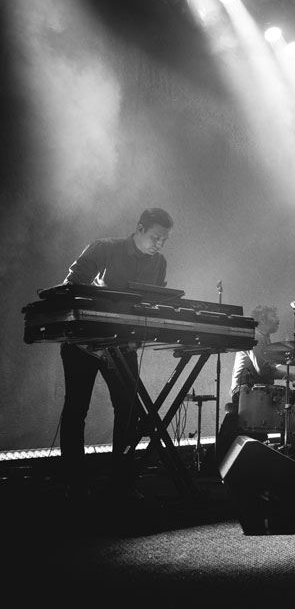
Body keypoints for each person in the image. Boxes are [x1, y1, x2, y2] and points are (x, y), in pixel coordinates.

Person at [59, 207, 174, 500]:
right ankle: (74, 483)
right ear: (139, 228)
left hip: (123, 346)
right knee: (76, 410)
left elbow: (152, 304)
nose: (159, 244)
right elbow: (71, 285)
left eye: (164, 240)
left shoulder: (159, 263)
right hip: (84, 344)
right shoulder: (104, 248)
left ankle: (121, 482)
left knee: (129, 410)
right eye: (156, 237)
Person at [229, 304, 295, 414]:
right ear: (262, 319)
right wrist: (291, 375)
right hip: (245, 393)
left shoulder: (264, 338)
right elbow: (263, 370)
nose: (278, 320)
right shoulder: (256, 336)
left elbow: (268, 367)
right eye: (273, 316)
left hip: (252, 392)